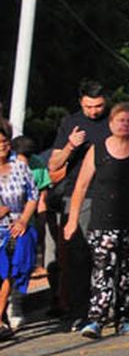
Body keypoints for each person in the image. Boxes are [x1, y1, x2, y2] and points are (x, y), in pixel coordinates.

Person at [63, 103, 129, 338]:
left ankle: (124, 318)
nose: (124, 124)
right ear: (110, 123)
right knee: (102, 272)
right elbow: (81, 186)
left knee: (128, 274)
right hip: (103, 221)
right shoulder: (97, 149)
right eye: (120, 120)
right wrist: (72, 220)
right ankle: (96, 319)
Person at [46, 79, 110, 330]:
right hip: (78, 196)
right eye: (88, 107)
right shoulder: (70, 123)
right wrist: (71, 145)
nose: (94, 111)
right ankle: (80, 311)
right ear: (80, 102)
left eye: (98, 106)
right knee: (77, 256)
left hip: (109, 195)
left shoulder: (116, 121)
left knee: (106, 255)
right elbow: (53, 165)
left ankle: (106, 307)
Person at [0, 121, 39, 341]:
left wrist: (23, 220)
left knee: (8, 274)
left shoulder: (20, 167)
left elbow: (33, 196)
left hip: (15, 228)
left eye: (5, 141)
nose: (3, 146)